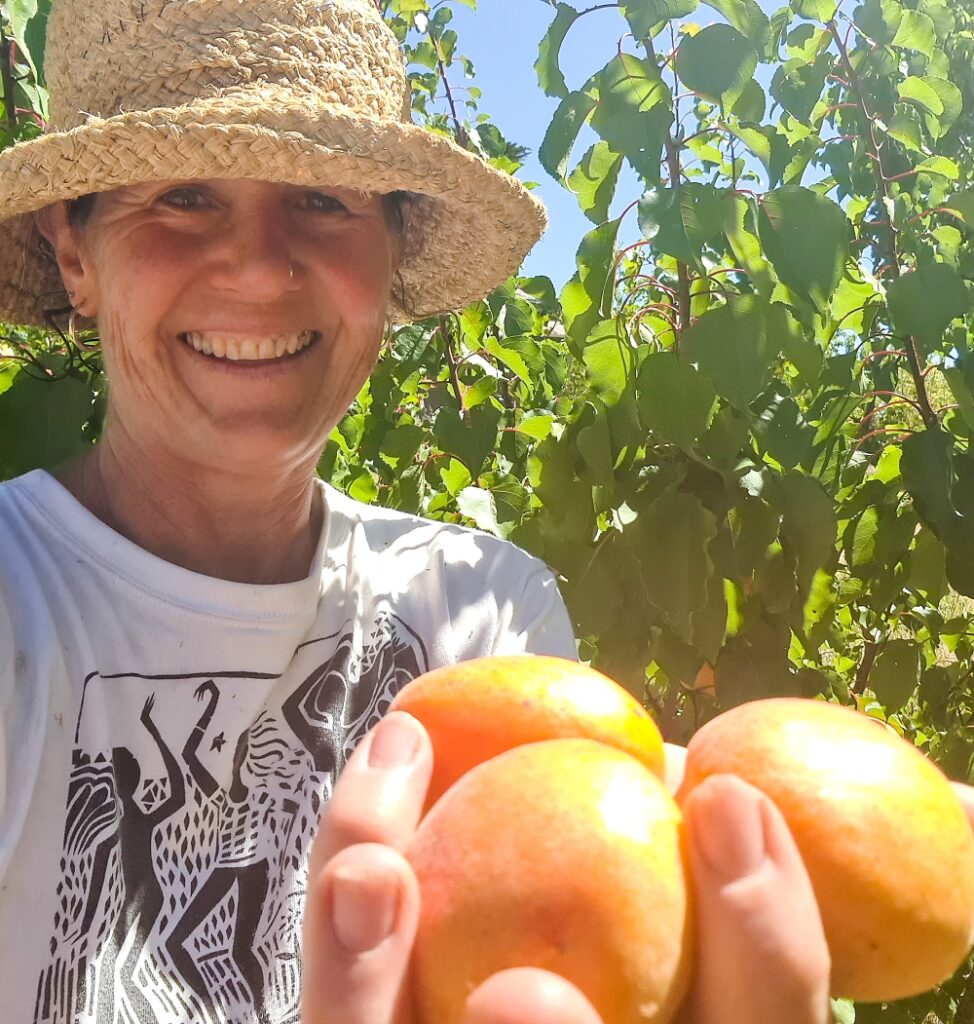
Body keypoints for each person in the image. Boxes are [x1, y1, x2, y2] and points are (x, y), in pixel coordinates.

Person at [0, 1, 969, 1023]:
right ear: (75, 253)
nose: (258, 265)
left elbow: (580, 919)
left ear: (389, 250)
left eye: (323, 200)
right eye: (184, 195)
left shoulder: (481, 612)